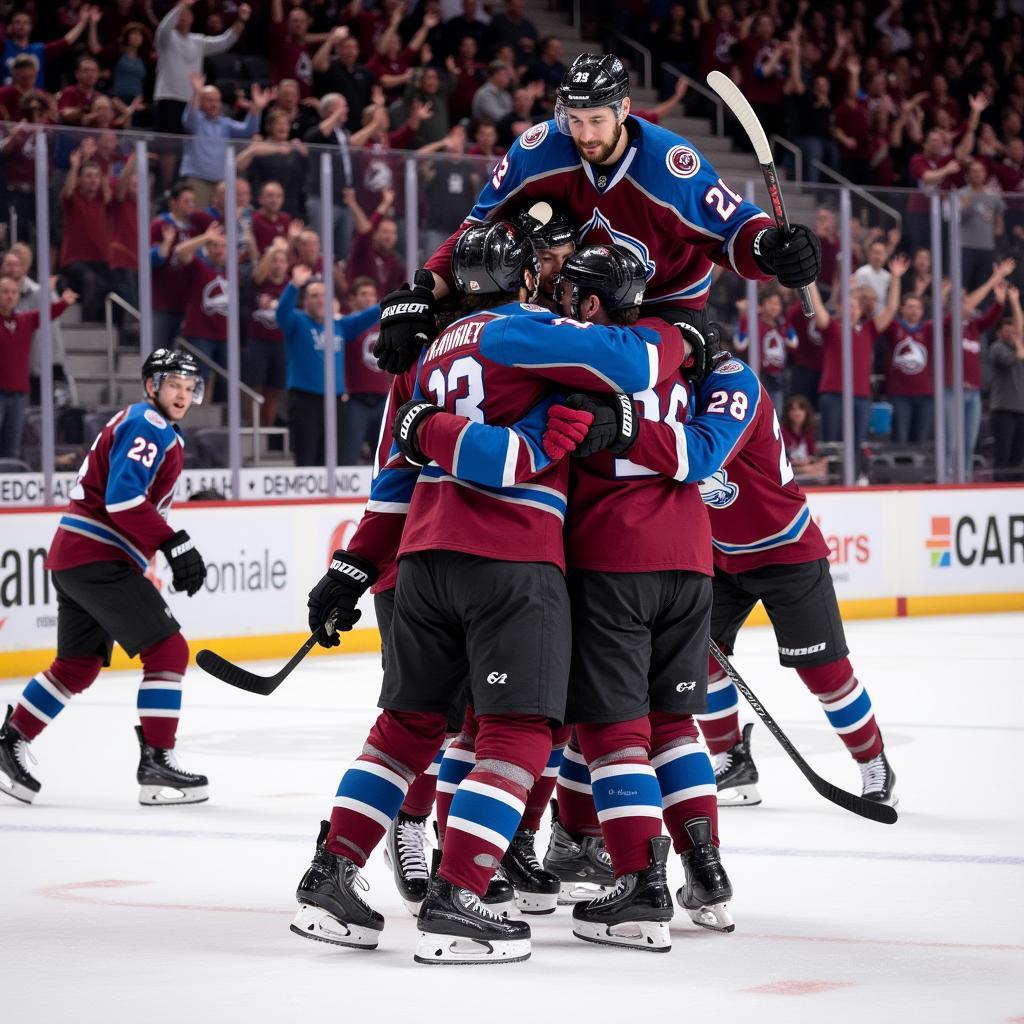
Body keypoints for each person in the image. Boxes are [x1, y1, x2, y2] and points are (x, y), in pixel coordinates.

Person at [288, 220, 687, 964]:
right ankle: (458, 894)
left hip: (423, 560)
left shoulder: (426, 355)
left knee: (406, 728)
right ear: (524, 278)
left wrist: (355, 563)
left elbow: (395, 479)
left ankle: (332, 875)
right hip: (510, 559)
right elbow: (629, 365)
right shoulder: (521, 331)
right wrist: (680, 335)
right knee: (520, 731)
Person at [372, 51, 820, 378]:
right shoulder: (539, 150)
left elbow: (736, 229)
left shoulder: (669, 164)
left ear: (624, 110)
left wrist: (772, 249)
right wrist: (423, 293)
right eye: (575, 119)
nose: (584, 134)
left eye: (597, 120)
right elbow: (477, 227)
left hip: (666, 306)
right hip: (577, 301)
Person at [0, 349, 209, 806]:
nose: (182, 393)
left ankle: (9, 741)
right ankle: (157, 763)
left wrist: (165, 544)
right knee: (168, 649)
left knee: (77, 666)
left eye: (189, 386)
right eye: (173, 383)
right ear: (152, 386)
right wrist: (173, 542)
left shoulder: (145, 424)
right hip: (98, 557)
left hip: (76, 557)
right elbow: (122, 499)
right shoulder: (148, 425)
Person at [275, 264, 380, 467]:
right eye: (314, 295)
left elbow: (365, 317)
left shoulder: (339, 324)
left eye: (324, 295)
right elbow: (281, 313)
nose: (320, 300)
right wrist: (294, 285)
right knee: (306, 457)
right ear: (305, 300)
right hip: (305, 399)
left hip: (335, 401)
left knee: (334, 458)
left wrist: (392, 301)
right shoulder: (297, 321)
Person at [153, 0, 251, 190]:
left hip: (193, 104)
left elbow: (226, 41)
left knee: (192, 145)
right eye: (180, 13)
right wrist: (181, 5)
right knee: (169, 148)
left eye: (187, 13)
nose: (183, 17)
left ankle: (185, 186)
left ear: (192, 18)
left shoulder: (197, 41)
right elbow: (163, 28)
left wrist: (241, 19)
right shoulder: (166, 38)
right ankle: (166, 189)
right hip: (169, 99)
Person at [812, 262, 905, 454]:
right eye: (847, 306)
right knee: (833, 444)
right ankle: (833, 482)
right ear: (839, 308)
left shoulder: (869, 330)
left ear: (861, 310)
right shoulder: (832, 328)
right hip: (834, 393)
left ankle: (855, 478)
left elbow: (891, 308)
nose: (852, 310)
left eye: (855, 306)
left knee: (858, 443)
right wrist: (809, 281)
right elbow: (817, 306)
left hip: (861, 395)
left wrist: (895, 278)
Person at [0, 279, 77, 461]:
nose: (9, 296)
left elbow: (47, 313)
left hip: (19, 392)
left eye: (13, 292)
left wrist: (64, 302)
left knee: (12, 444)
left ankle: (9, 479)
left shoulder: (24, 320)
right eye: (4, 292)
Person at [180, 77, 268, 208]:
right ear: (201, 102)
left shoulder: (225, 123)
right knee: (198, 217)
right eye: (209, 100)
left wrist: (257, 108)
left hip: (221, 182)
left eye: (217, 101)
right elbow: (189, 118)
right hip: (197, 179)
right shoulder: (196, 120)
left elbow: (248, 130)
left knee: (223, 219)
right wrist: (196, 93)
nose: (214, 104)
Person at [734, 288, 796, 414]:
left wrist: (786, 322)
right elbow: (740, 344)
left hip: (778, 377)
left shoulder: (782, 324)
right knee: (757, 412)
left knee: (775, 414)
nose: (774, 307)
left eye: (777, 303)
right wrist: (744, 317)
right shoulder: (753, 323)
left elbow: (794, 342)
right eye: (770, 302)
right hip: (759, 376)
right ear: (761, 305)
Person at [989, 286, 1024, 482]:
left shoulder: (1019, 347)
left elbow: (1021, 326)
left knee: (1017, 457)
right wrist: (1018, 354)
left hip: (1021, 410)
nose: (1012, 334)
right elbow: (1009, 360)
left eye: (1014, 331)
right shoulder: (997, 348)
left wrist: (1015, 302)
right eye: (1007, 331)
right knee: (1002, 455)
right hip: (1003, 409)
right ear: (999, 333)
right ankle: (998, 488)